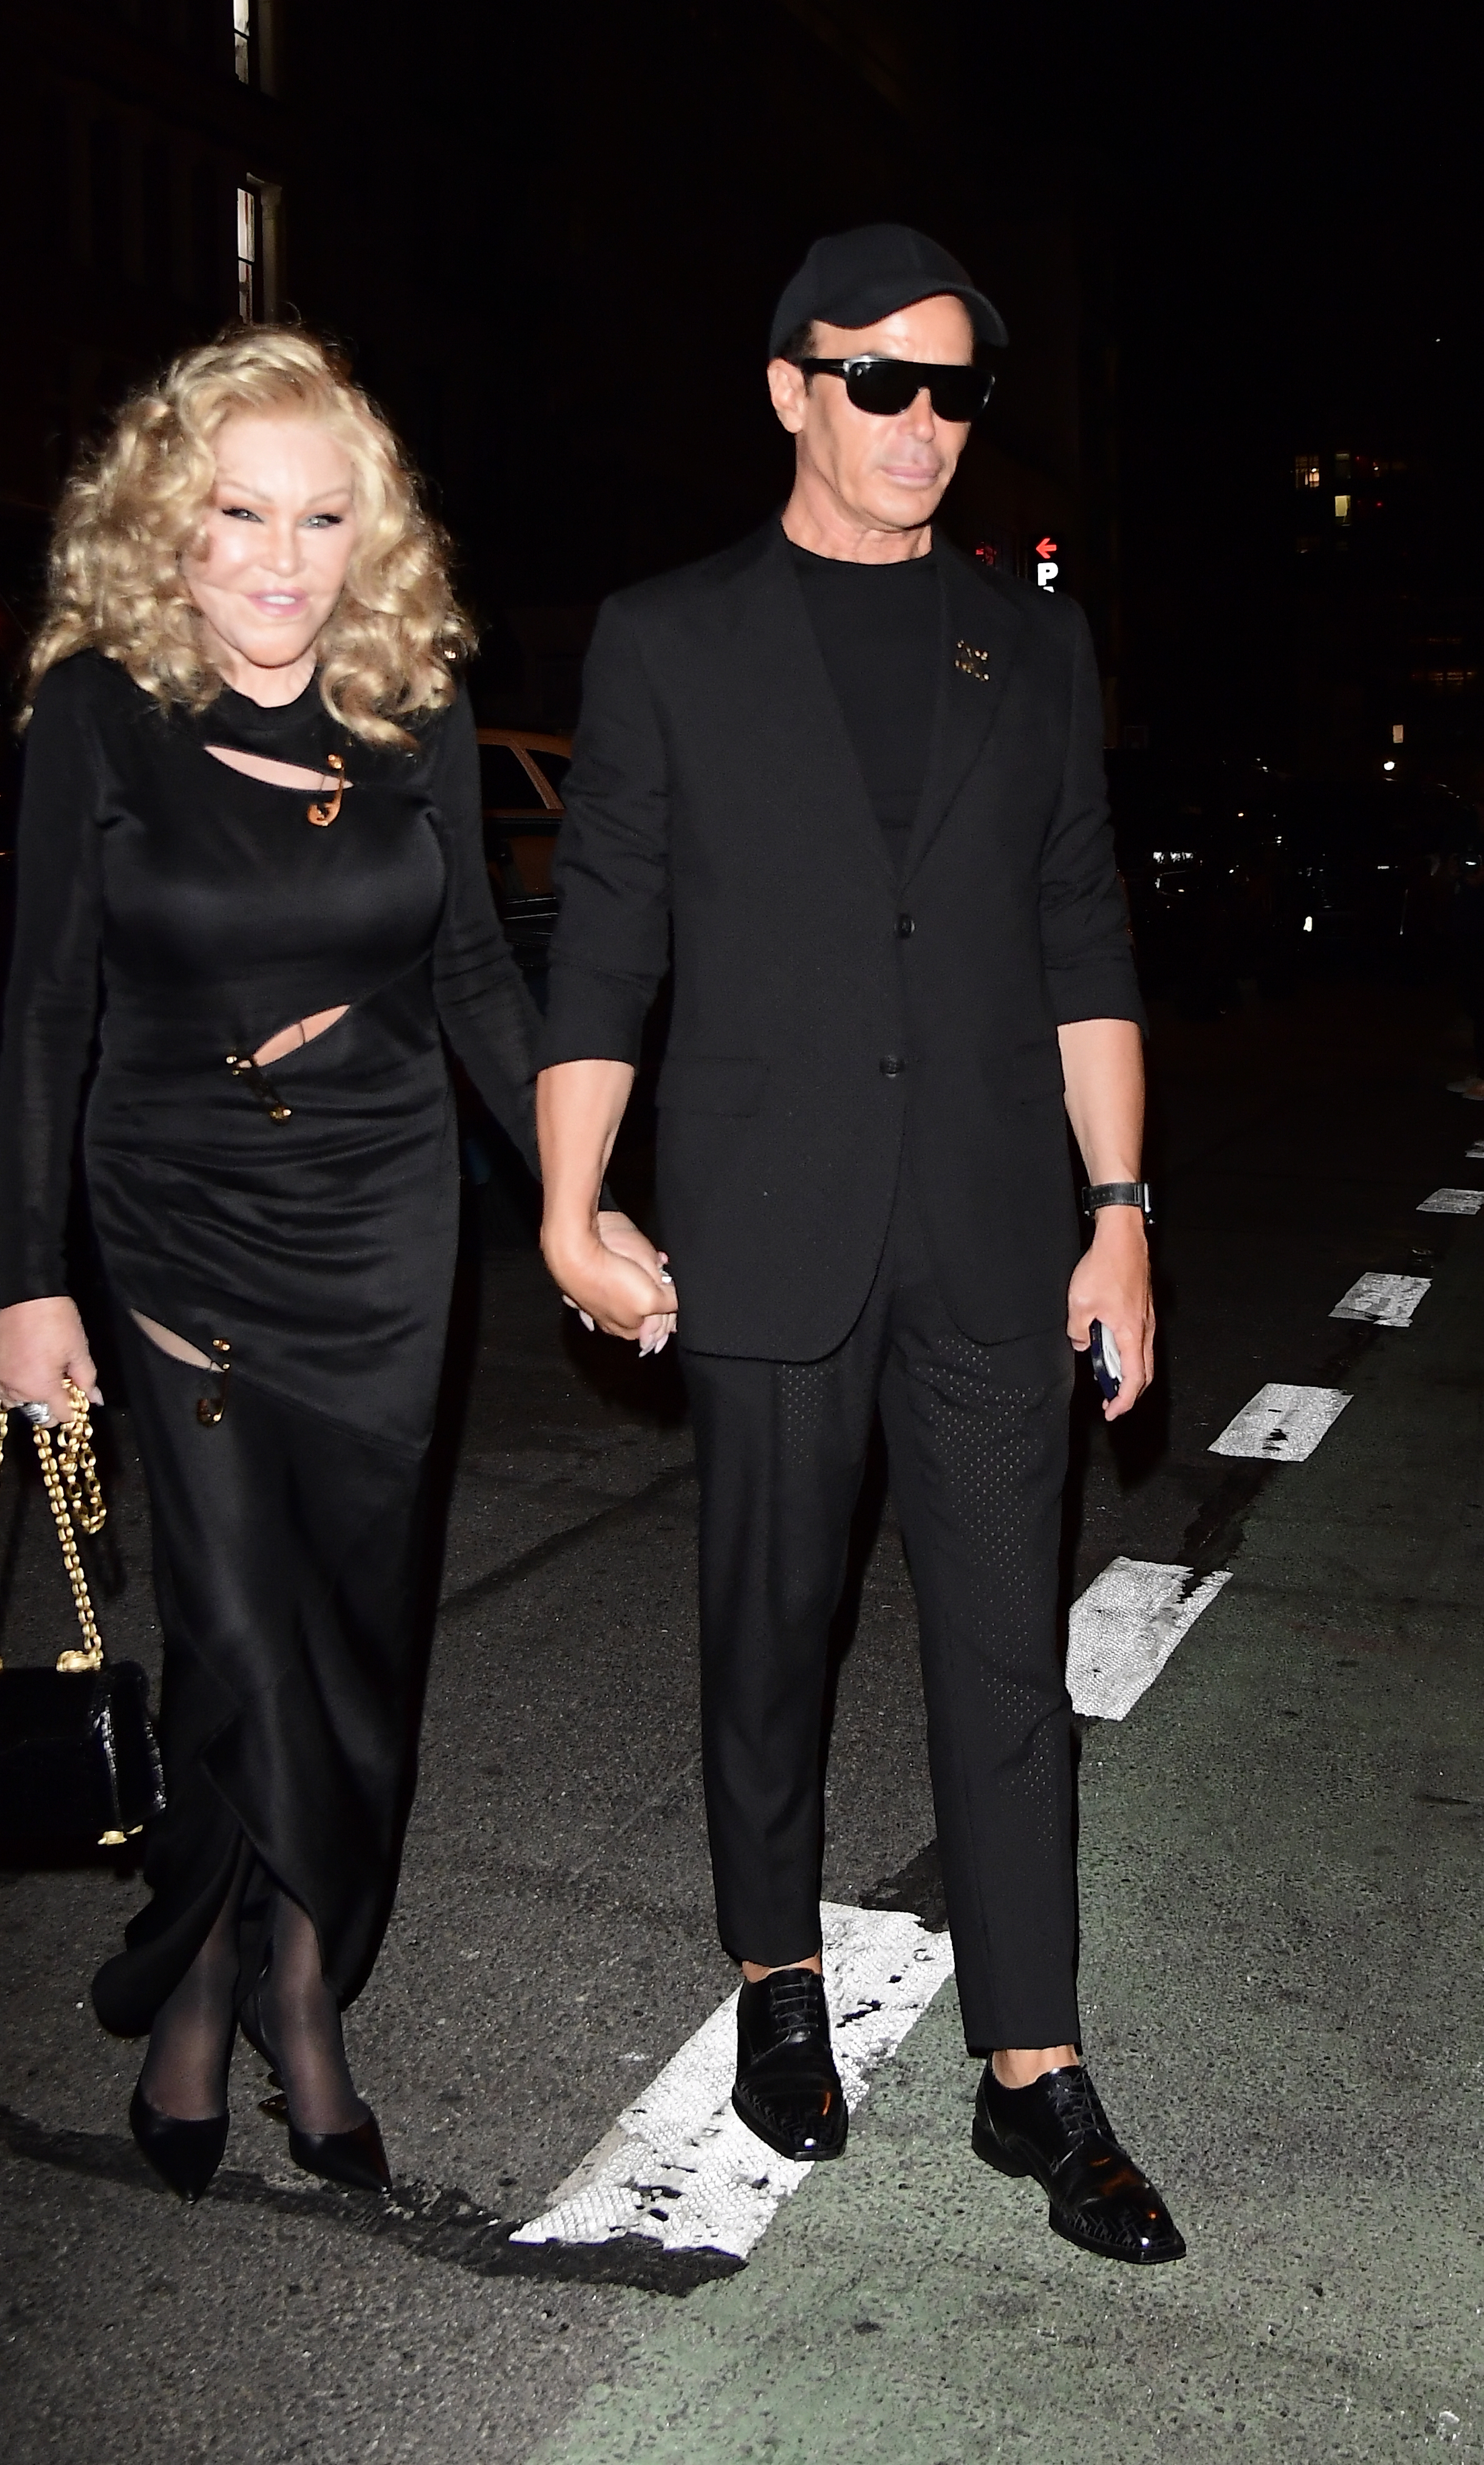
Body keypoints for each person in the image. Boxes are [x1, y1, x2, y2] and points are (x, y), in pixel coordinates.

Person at [535, 224, 1184, 2264]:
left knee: (1012, 1644)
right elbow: (607, 941)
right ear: (790, 389)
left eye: (954, 389)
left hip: (998, 1224)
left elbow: (1085, 932)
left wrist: (1123, 1215)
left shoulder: (1034, 645)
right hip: (771, 1215)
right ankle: (774, 1978)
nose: (923, 424)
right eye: (879, 382)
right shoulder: (669, 636)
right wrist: (569, 1200)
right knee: (773, 1622)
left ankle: (1036, 2068)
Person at [0, 326, 663, 2204]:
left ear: (370, 535)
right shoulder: (97, 713)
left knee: (356, 1638)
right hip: (176, 1219)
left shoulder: (408, 707)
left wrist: (575, 1192)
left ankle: (301, 1977)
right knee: (237, 1636)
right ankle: (214, 1983)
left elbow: (469, 979)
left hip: (382, 1225)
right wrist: (24, 1276)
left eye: (321, 517)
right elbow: (44, 1008)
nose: (282, 560)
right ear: (166, 528)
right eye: (237, 516)